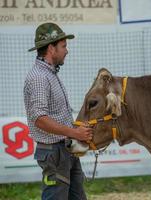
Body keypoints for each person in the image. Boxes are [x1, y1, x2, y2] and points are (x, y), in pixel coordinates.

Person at [24, 22, 93, 200]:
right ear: (51, 48)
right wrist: (74, 132)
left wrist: (76, 129)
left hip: (63, 149)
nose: (67, 50)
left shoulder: (50, 74)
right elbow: (39, 119)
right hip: (54, 152)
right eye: (63, 46)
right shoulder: (39, 77)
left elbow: (54, 115)